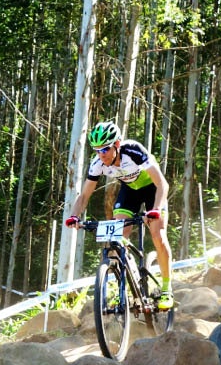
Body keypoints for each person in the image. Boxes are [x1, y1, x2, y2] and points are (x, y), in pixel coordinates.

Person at [64, 121, 175, 311]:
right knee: (116, 238)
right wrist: (74, 216)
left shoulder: (133, 150)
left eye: (105, 149)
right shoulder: (98, 163)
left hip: (152, 191)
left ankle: (167, 289)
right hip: (129, 192)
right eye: (97, 150)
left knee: (158, 235)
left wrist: (155, 209)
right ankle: (121, 287)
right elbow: (84, 196)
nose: (101, 154)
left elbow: (162, 184)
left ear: (116, 144)